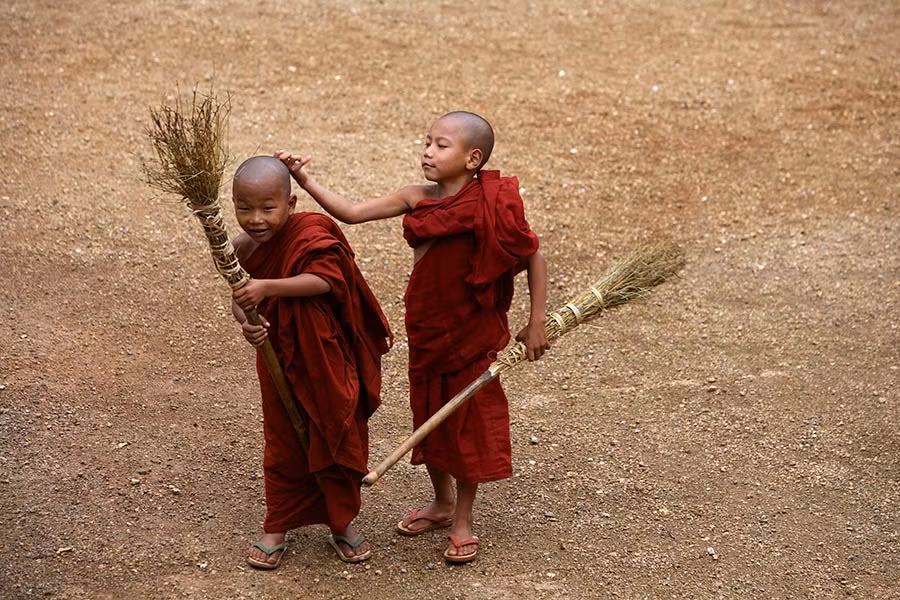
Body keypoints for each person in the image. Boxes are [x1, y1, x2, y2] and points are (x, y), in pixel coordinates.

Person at [276, 111, 549, 564]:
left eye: (441, 145)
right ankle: (441, 503)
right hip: (428, 332)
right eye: (427, 142)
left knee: (466, 426)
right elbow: (351, 212)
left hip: (473, 336)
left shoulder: (493, 204)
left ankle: (462, 518)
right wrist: (304, 180)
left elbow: (533, 253)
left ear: (472, 157)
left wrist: (536, 321)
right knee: (430, 416)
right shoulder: (416, 199)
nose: (427, 151)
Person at [229, 156, 392, 569]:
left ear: (292, 204)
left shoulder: (312, 232)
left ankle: (342, 523)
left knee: (337, 428)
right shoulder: (241, 249)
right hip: (278, 353)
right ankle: (277, 525)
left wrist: (267, 286)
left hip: (327, 353)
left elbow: (326, 280)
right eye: (244, 208)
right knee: (283, 438)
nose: (256, 219)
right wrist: (249, 324)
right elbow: (240, 297)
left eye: (268, 207)